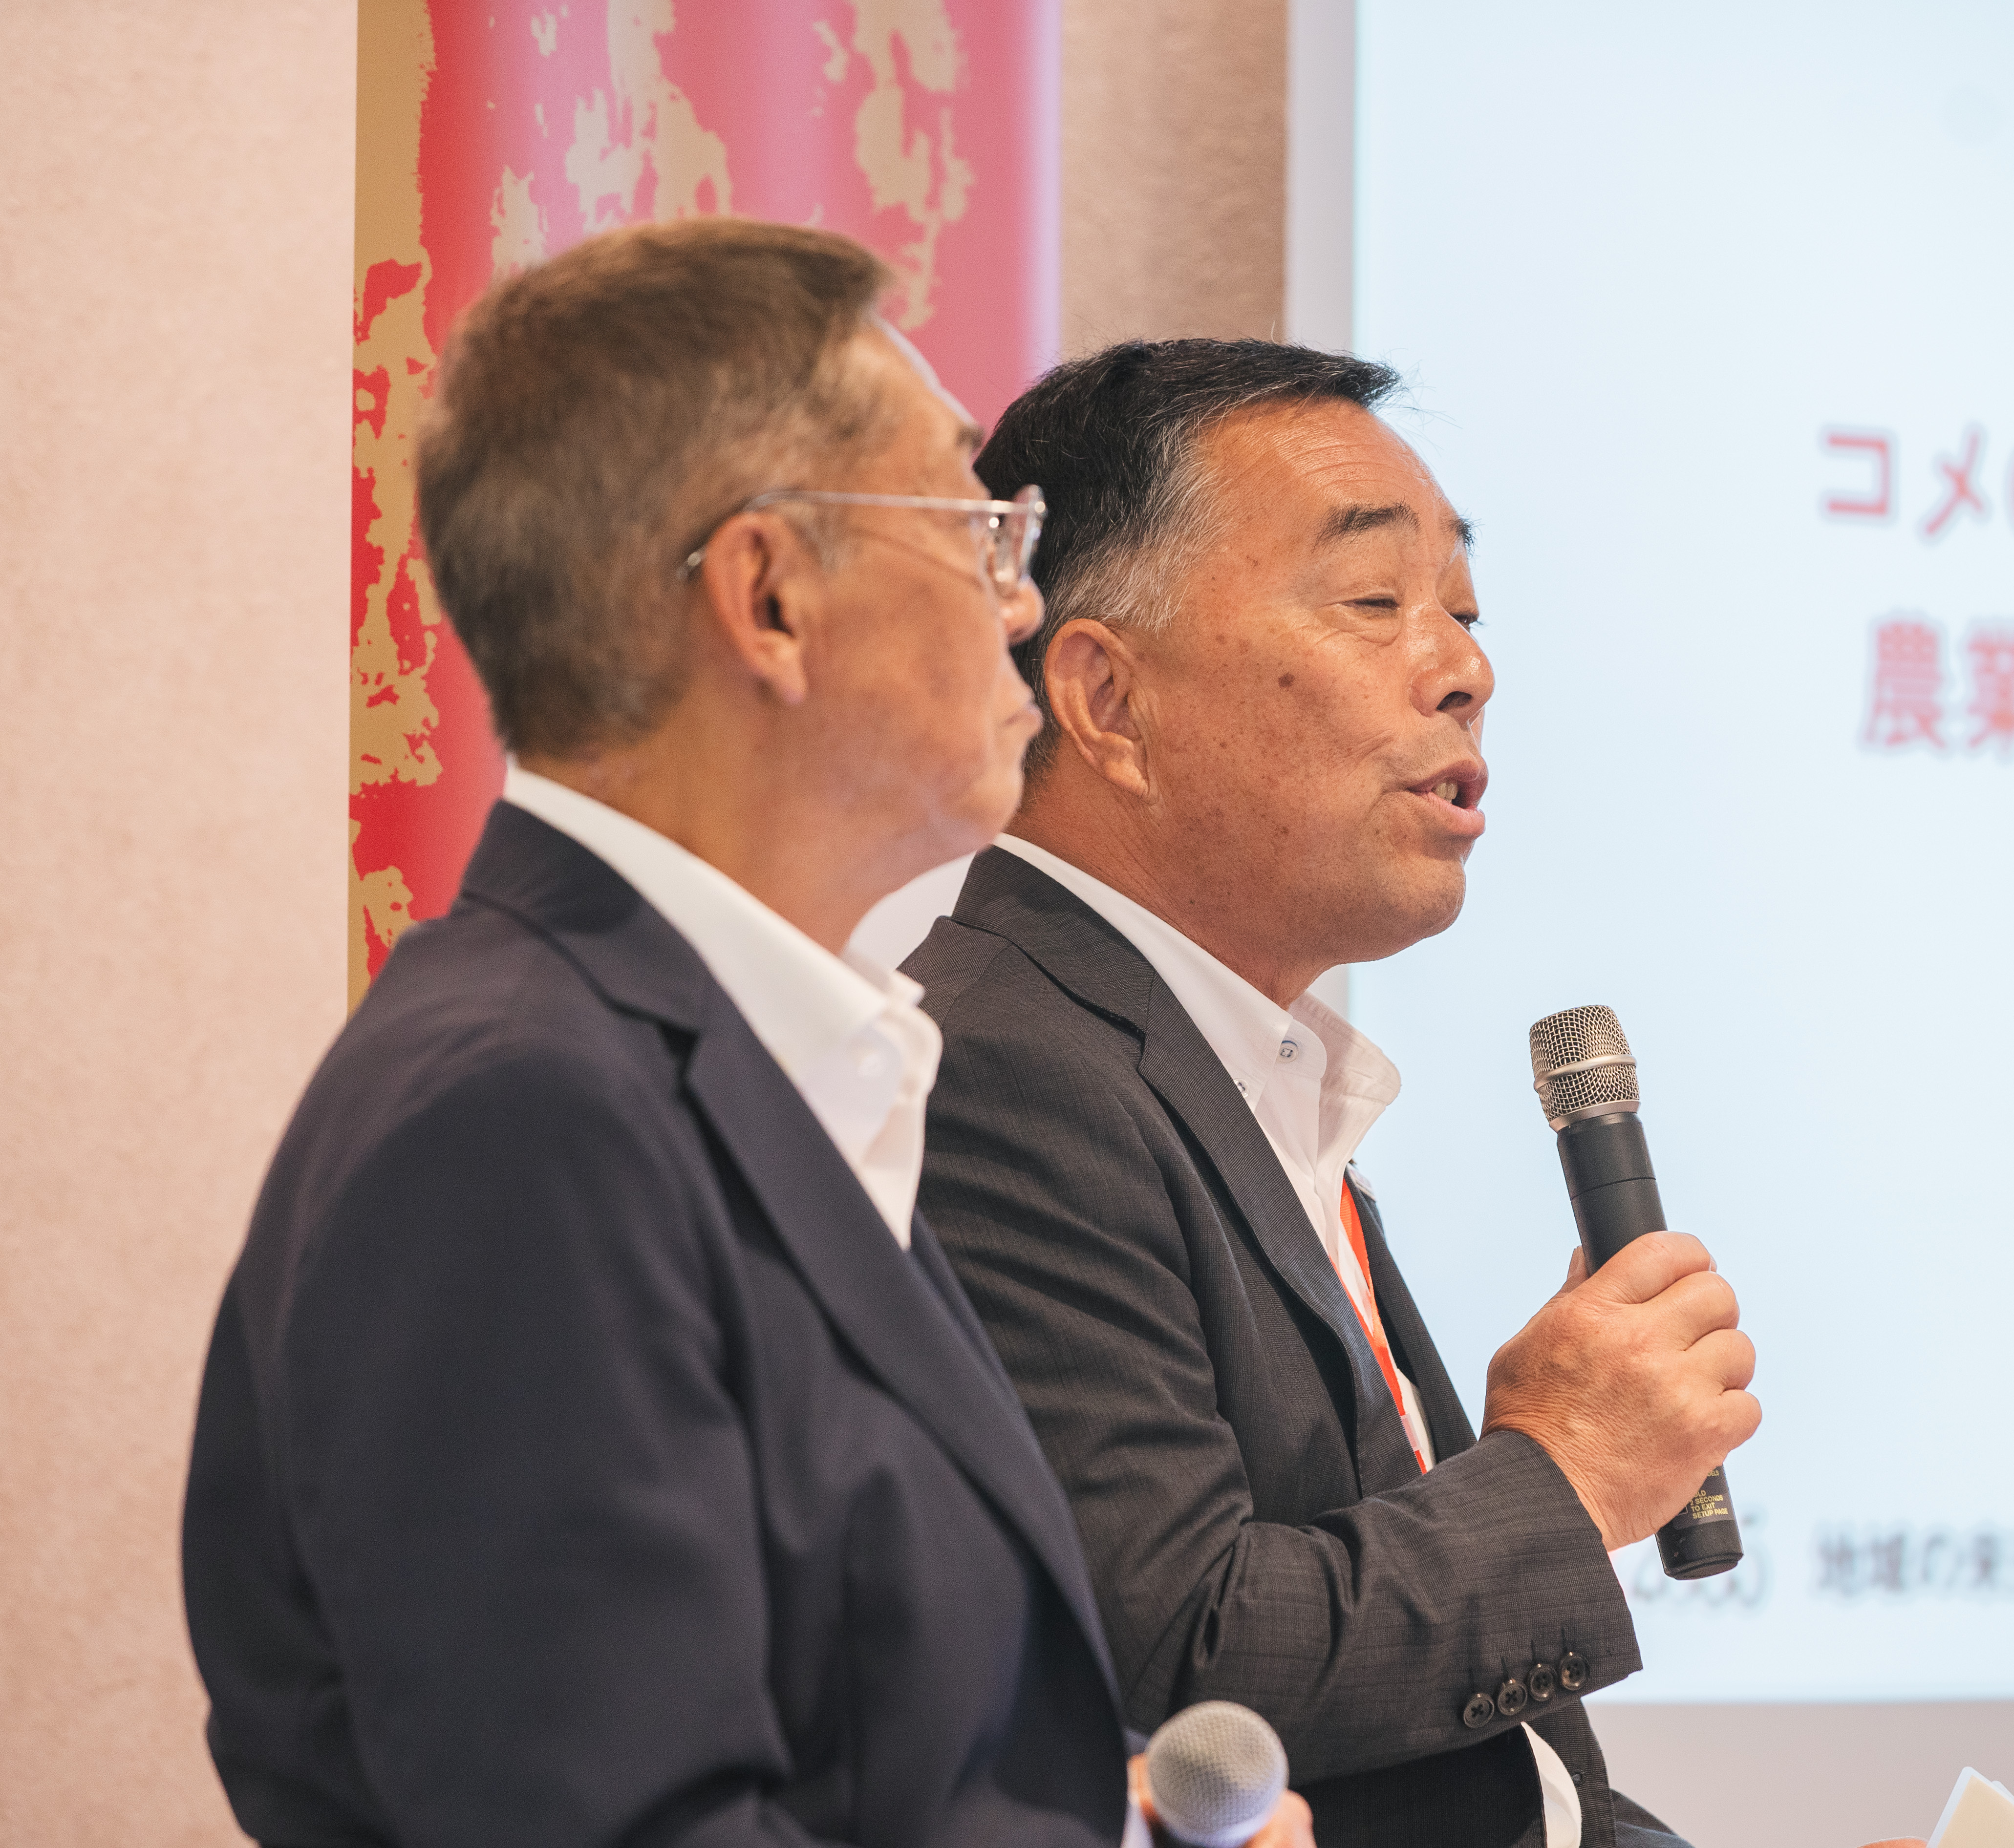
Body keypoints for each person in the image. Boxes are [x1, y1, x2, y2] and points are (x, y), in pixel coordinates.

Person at [180, 227, 1306, 1848]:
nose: (1019, 603)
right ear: (768, 597)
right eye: (978, 528)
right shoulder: (521, 1118)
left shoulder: (735, 1067)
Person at [902, 341, 1760, 1848]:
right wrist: (1560, 1476)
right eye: (1375, 603)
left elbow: (1499, 1781)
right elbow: (1183, 1683)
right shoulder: (996, 1069)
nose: (1465, 671)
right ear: (1105, 698)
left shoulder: (1241, 1070)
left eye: (1465, 610)